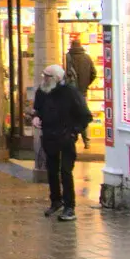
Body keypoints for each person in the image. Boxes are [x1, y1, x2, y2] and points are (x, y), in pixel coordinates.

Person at [31, 63, 91, 221]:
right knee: (51, 171)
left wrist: (73, 131)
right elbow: (37, 109)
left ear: (56, 78)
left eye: (47, 76)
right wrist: (36, 117)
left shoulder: (70, 92)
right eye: (43, 75)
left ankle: (69, 206)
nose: (43, 78)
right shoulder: (42, 91)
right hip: (49, 136)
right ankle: (55, 201)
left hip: (66, 137)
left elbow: (85, 115)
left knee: (65, 171)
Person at [66, 36, 97, 148]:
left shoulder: (67, 57)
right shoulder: (87, 58)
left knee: (70, 115)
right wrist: (86, 84)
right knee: (83, 114)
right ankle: (86, 141)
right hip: (82, 92)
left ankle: (72, 139)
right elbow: (94, 73)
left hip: (70, 92)